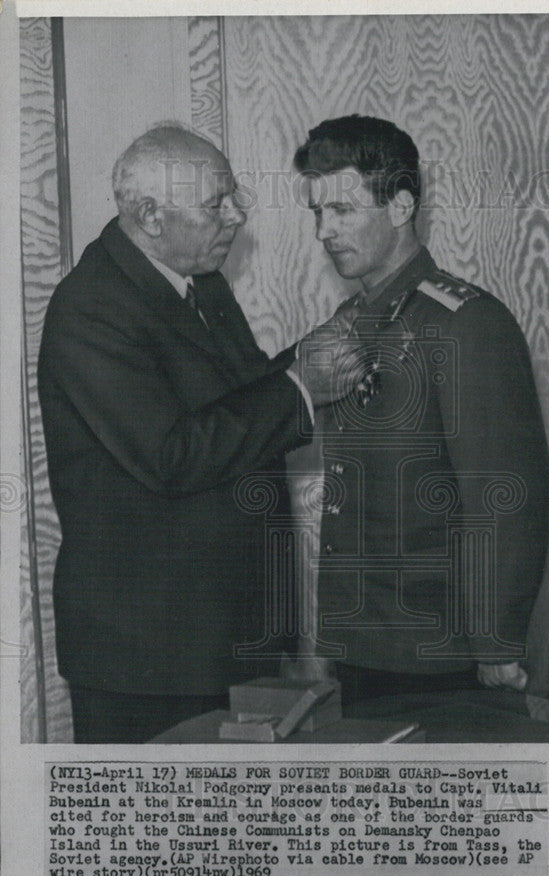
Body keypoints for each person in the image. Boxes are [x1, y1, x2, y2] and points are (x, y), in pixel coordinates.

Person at [38, 124, 364, 742]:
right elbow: (174, 454)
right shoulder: (89, 308)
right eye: (216, 204)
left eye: (233, 195)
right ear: (150, 216)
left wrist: (310, 353)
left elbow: (237, 399)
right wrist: (301, 387)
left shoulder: (200, 283)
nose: (238, 215)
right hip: (148, 660)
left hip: (221, 638)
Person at [292, 114, 549, 708]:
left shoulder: (465, 323)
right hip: (361, 645)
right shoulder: (351, 324)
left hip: (440, 651)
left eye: (343, 210)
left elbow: (504, 493)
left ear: (402, 205)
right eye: (317, 213)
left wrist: (496, 642)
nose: (324, 231)